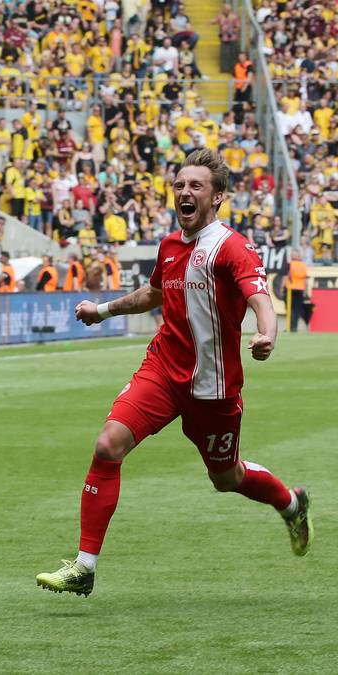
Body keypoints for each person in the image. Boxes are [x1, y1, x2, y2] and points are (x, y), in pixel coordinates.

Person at [35, 150, 312, 597]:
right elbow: (154, 293)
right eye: (180, 185)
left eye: (196, 186)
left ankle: (291, 502)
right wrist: (102, 310)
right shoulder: (169, 246)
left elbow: (260, 295)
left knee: (226, 479)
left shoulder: (231, 247)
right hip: (163, 369)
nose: (185, 192)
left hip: (213, 388)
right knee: (108, 445)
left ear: (217, 196)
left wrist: (267, 333)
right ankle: (84, 567)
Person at [285, 249, 310, 332]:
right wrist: (306, 291)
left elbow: (286, 276)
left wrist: (282, 287)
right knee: (296, 309)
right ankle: (294, 327)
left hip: (290, 289)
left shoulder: (289, 264)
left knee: (289, 308)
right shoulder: (303, 265)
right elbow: (305, 279)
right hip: (300, 289)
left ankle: (289, 326)